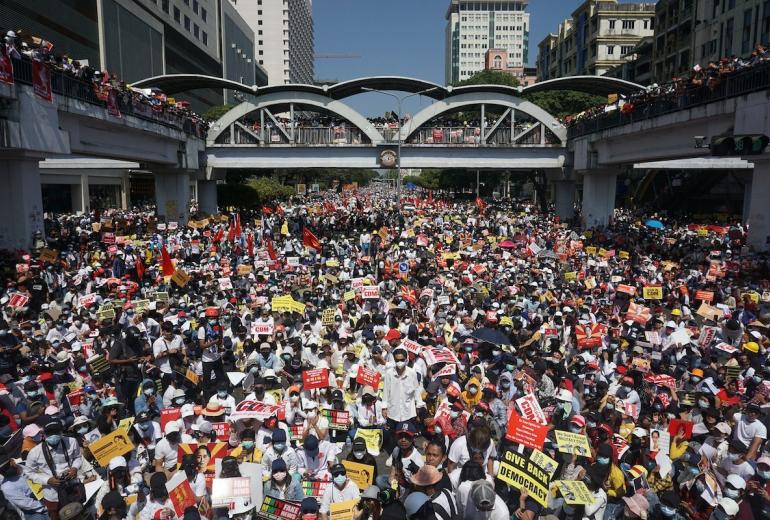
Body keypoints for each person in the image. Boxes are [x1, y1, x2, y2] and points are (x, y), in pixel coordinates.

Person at [26, 418, 83, 520]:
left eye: (56, 432)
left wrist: (74, 468)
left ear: (61, 432)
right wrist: (47, 480)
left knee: (77, 514)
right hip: (52, 495)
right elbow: (29, 473)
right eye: (49, 433)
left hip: (72, 489)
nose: (53, 435)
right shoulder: (34, 452)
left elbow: (78, 457)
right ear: (44, 434)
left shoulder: (72, 441)